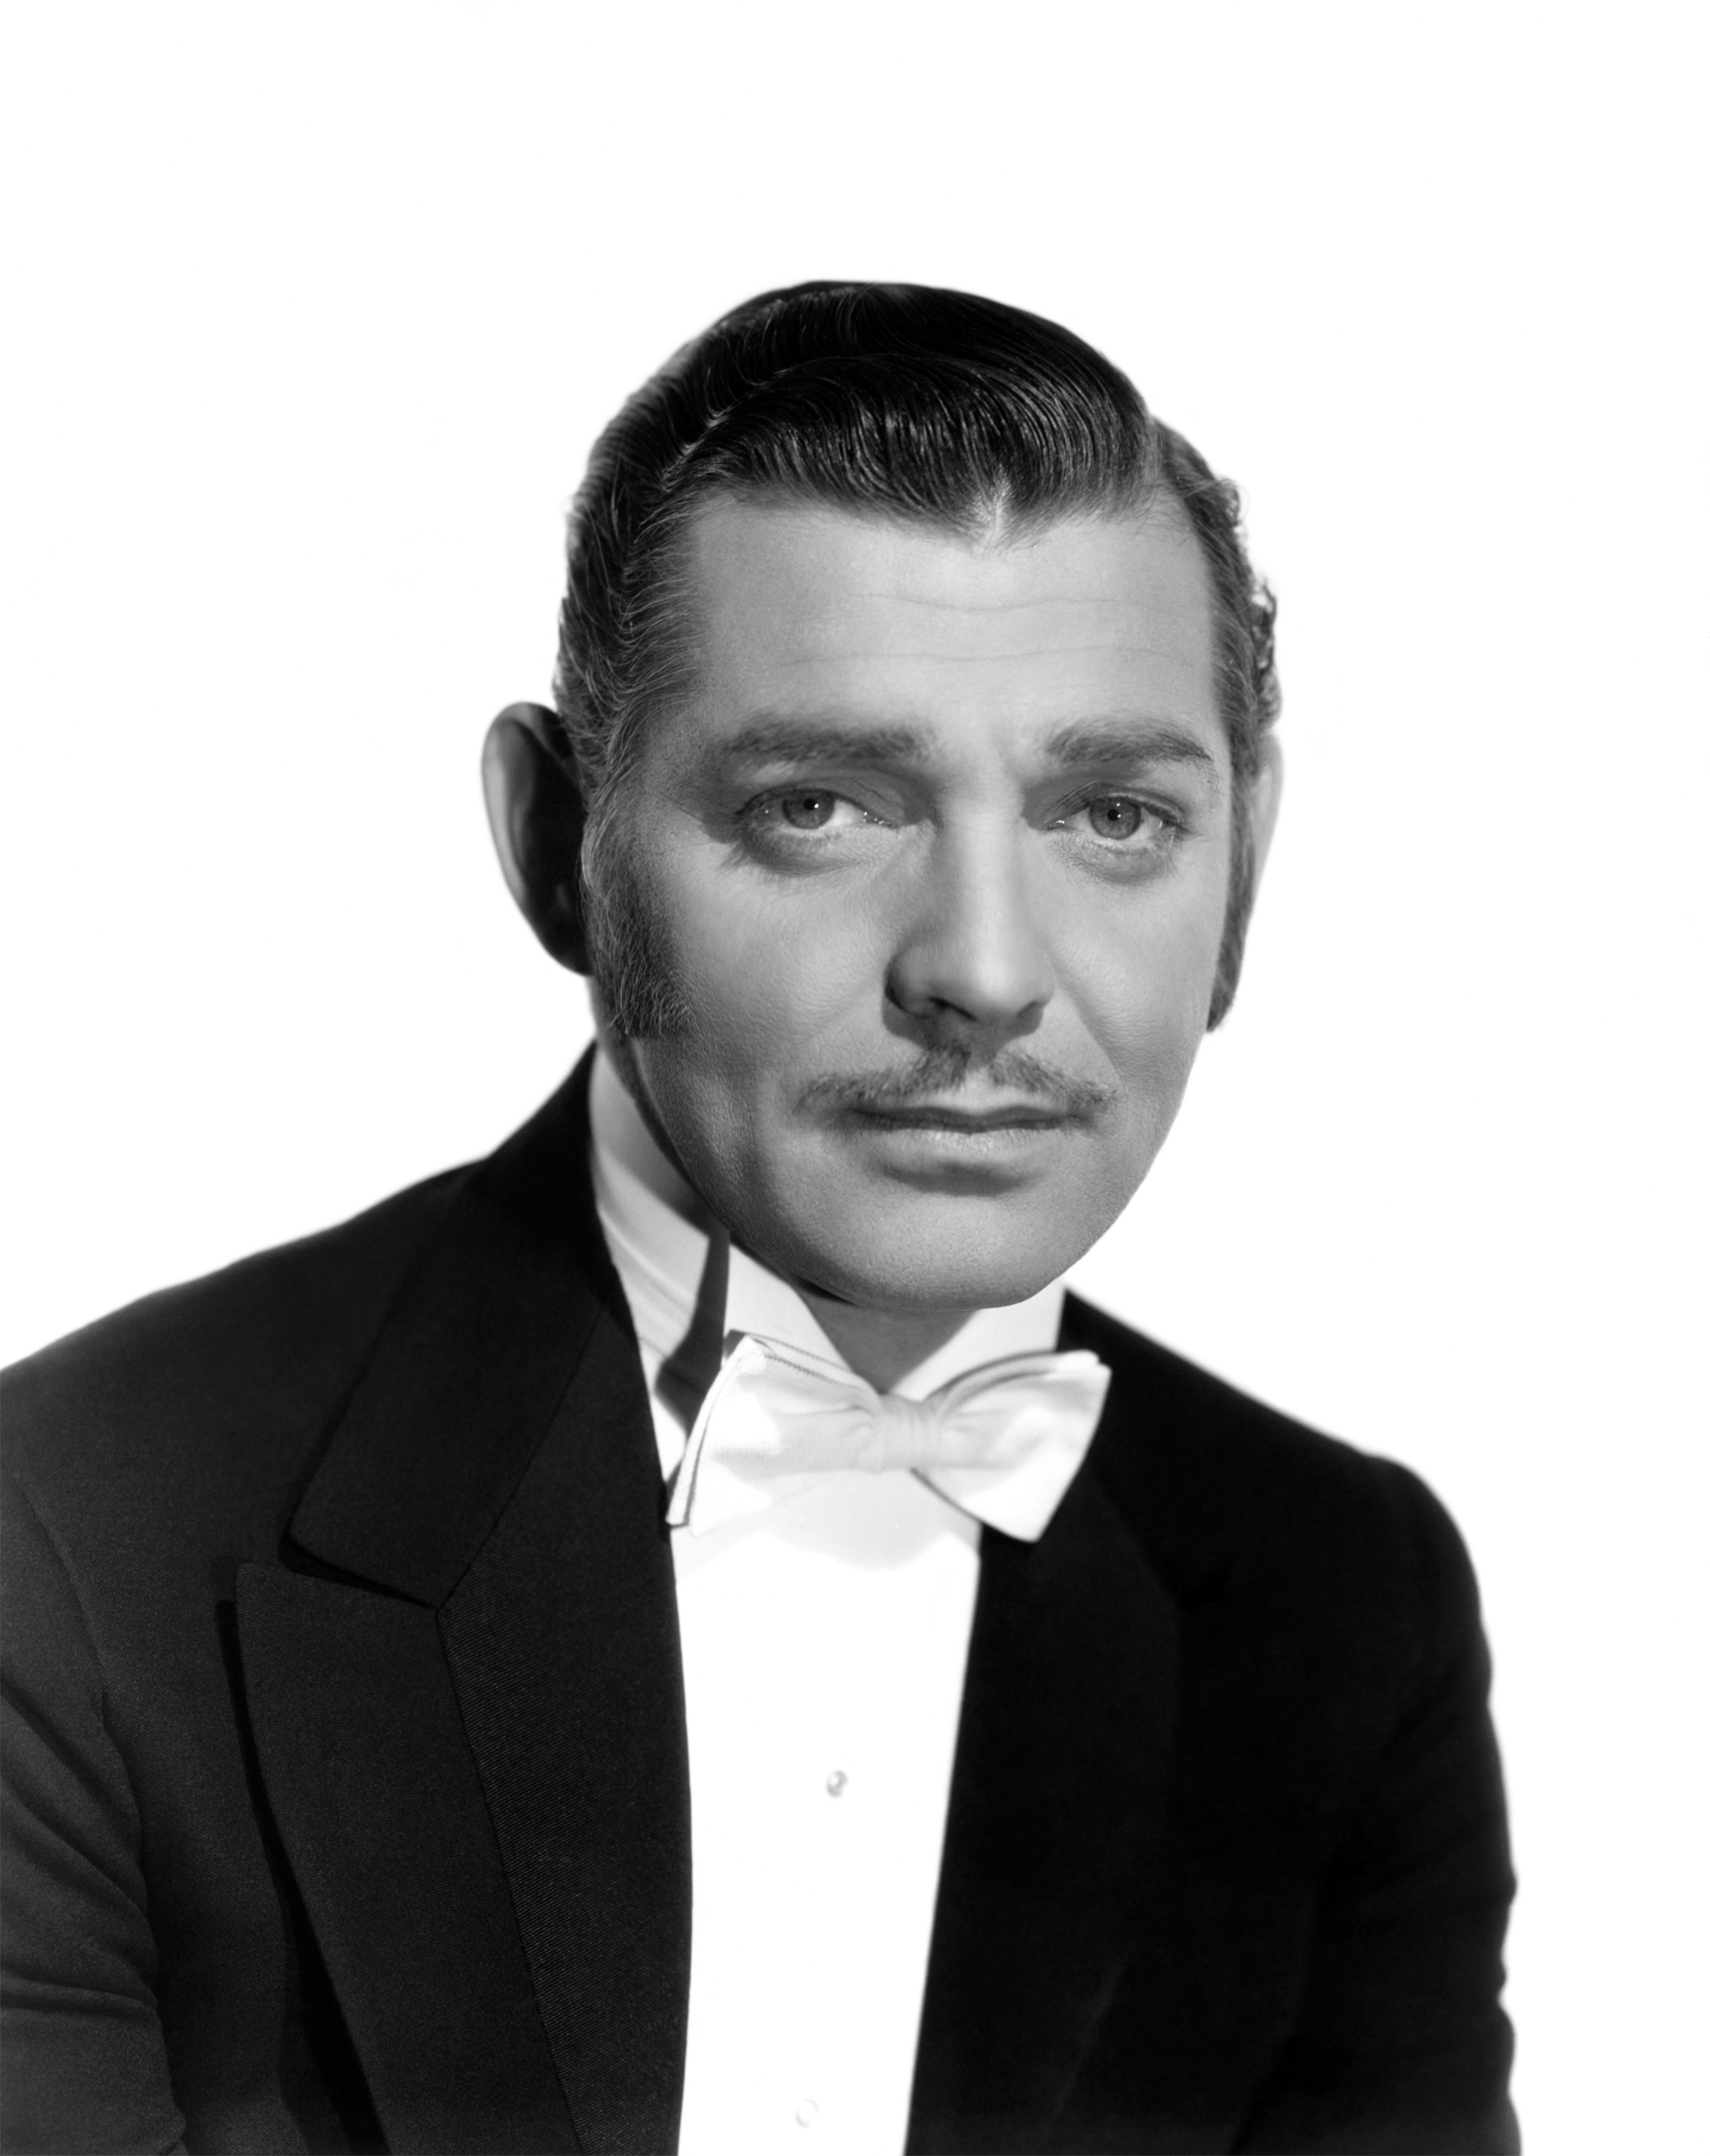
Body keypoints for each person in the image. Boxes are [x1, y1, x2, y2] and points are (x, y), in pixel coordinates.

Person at [0, 282, 1517, 2155]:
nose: (982, 970)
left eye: (1112, 814)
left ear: (1247, 867)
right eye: (819, 804)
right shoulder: (65, 1542)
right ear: (559, 846)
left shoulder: (1343, 1600)